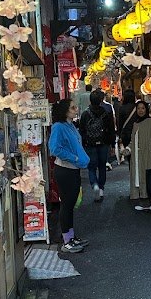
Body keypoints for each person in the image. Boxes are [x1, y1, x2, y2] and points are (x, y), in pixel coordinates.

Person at [48, 98, 89, 256]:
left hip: (73, 169)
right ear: (64, 110)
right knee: (66, 204)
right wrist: (75, 158)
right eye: (72, 107)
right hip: (65, 170)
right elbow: (54, 148)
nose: (75, 109)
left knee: (70, 204)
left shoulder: (70, 125)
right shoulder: (58, 127)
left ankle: (71, 237)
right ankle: (67, 241)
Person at [79, 89, 116, 201]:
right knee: (102, 167)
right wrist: (112, 144)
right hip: (103, 143)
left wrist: (85, 142)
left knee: (91, 167)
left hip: (90, 144)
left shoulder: (85, 113)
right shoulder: (106, 113)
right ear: (101, 101)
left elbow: (82, 130)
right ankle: (101, 189)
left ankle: (94, 184)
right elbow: (111, 130)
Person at [128, 100, 151, 210]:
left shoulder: (150, 121)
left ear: (146, 109)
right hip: (137, 156)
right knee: (140, 177)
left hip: (147, 154)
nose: (140, 110)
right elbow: (133, 140)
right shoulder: (135, 123)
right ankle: (144, 202)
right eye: (138, 108)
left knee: (149, 177)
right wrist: (128, 148)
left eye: (143, 108)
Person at [116, 88, 137, 162]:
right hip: (137, 133)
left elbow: (120, 123)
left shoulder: (122, 108)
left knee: (129, 155)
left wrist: (119, 135)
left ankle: (132, 171)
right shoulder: (137, 107)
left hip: (126, 135)